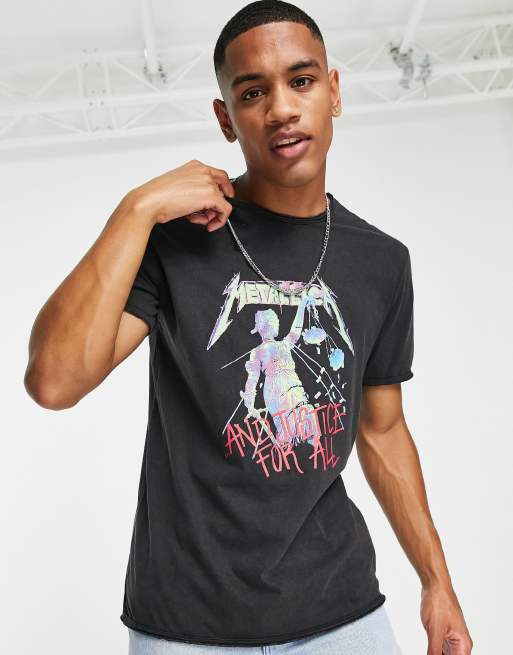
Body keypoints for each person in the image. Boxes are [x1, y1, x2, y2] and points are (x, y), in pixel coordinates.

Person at [23, 1, 473, 654]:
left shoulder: (381, 261)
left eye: (301, 80)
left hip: (342, 616)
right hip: (184, 626)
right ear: (225, 119)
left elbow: (381, 428)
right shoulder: (176, 240)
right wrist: (136, 209)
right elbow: (54, 381)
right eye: (253, 92)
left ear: (334, 91)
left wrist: (437, 582)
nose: (282, 109)